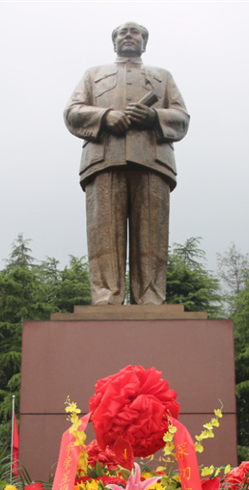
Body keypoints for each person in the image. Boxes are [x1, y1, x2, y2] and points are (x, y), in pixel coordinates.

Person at [65, 21, 190, 305]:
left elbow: (182, 118)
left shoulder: (163, 76)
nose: (129, 36)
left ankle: (151, 299)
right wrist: (105, 116)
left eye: (135, 33)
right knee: (103, 235)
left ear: (145, 43)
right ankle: (106, 298)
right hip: (104, 160)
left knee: (152, 237)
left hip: (153, 161)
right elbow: (72, 112)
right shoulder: (93, 74)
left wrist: (154, 117)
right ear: (114, 42)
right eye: (123, 32)